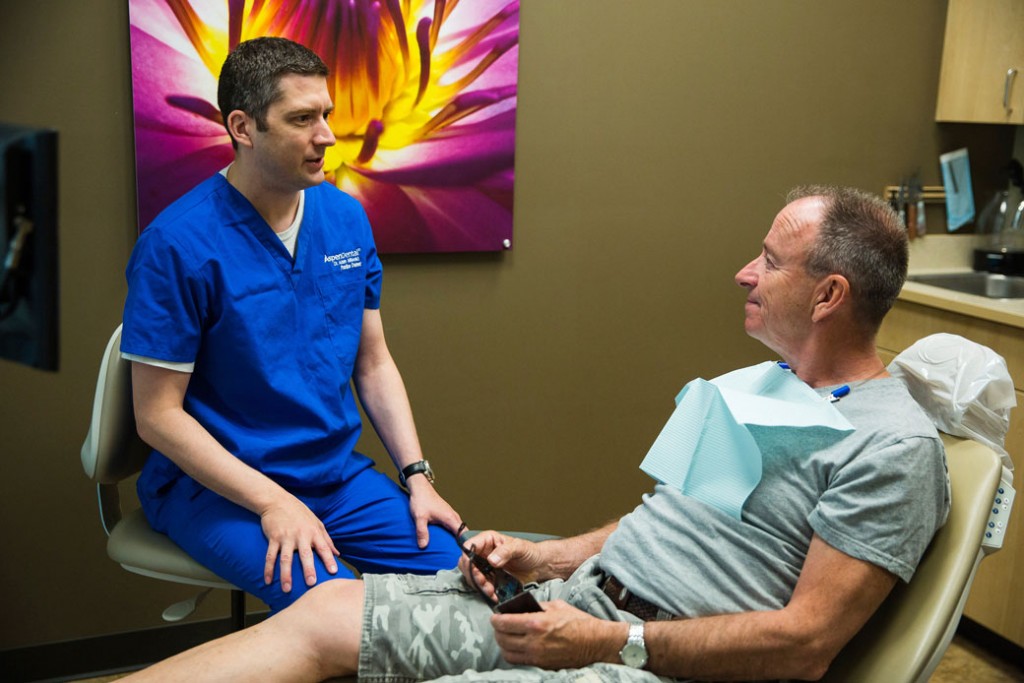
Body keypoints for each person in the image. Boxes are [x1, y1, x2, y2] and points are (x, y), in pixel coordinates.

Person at [122, 186, 950, 682]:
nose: (744, 271)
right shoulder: (763, 387)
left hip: (651, 660)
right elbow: (669, 518)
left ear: (830, 292)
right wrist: (549, 556)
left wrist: (607, 640)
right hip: (576, 602)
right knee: (322, 614)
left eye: (769, 261)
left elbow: (806, 644)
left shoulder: (890, 448)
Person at [120, 37, 462, 613]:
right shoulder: (176, 245)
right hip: (217, 489)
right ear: (243, 127)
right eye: (302, 119)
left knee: (465, 580)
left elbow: (372, 362)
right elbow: (156, 417)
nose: (326, 136)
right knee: (335, 613)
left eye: (325, 115)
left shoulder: (344, 216)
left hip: (334, 477)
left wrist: (418, 476)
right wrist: (272, 502)